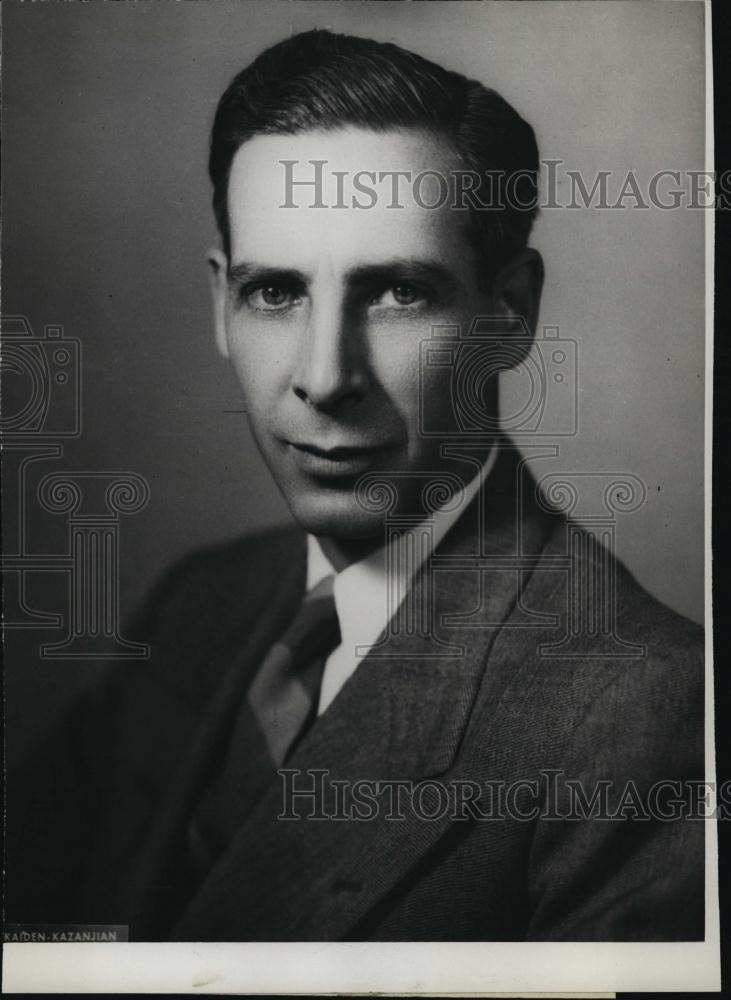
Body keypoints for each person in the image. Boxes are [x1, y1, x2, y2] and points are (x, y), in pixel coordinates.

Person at [6, 28, 704, 942]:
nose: (324, 376)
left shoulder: (640, 711)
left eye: (397, 293)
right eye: (275, 292)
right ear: (221, 305)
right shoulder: (200, 607)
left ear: (511, 313)